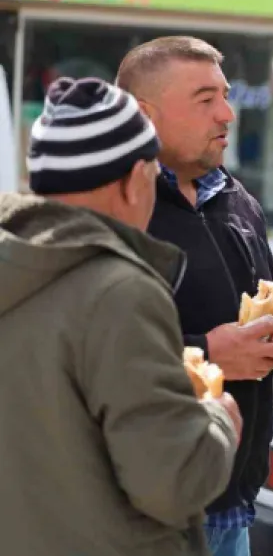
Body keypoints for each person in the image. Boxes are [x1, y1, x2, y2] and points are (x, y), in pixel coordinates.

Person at [0, 77, 241, 555]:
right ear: (135, 180)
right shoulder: (120, 292)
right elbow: (173, 480)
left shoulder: (21, 268)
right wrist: (219, 421)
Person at [116, 36, 273, 556]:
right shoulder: (115, 206)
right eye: (205, 100)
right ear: (142, 114)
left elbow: (264, 304)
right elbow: (88, 351)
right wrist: (207, 353)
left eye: (225, 96)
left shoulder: (237, 199)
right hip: (147, 512)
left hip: (234, 503)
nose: (227, 114)